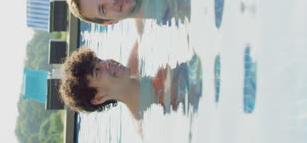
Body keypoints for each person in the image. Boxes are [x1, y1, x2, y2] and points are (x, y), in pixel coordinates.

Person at [58, 45, 202, 120]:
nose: (107, 63)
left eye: (100, 60)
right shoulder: (146, 119)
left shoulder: (137, 56)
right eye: (97, 71)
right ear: (99, 98)